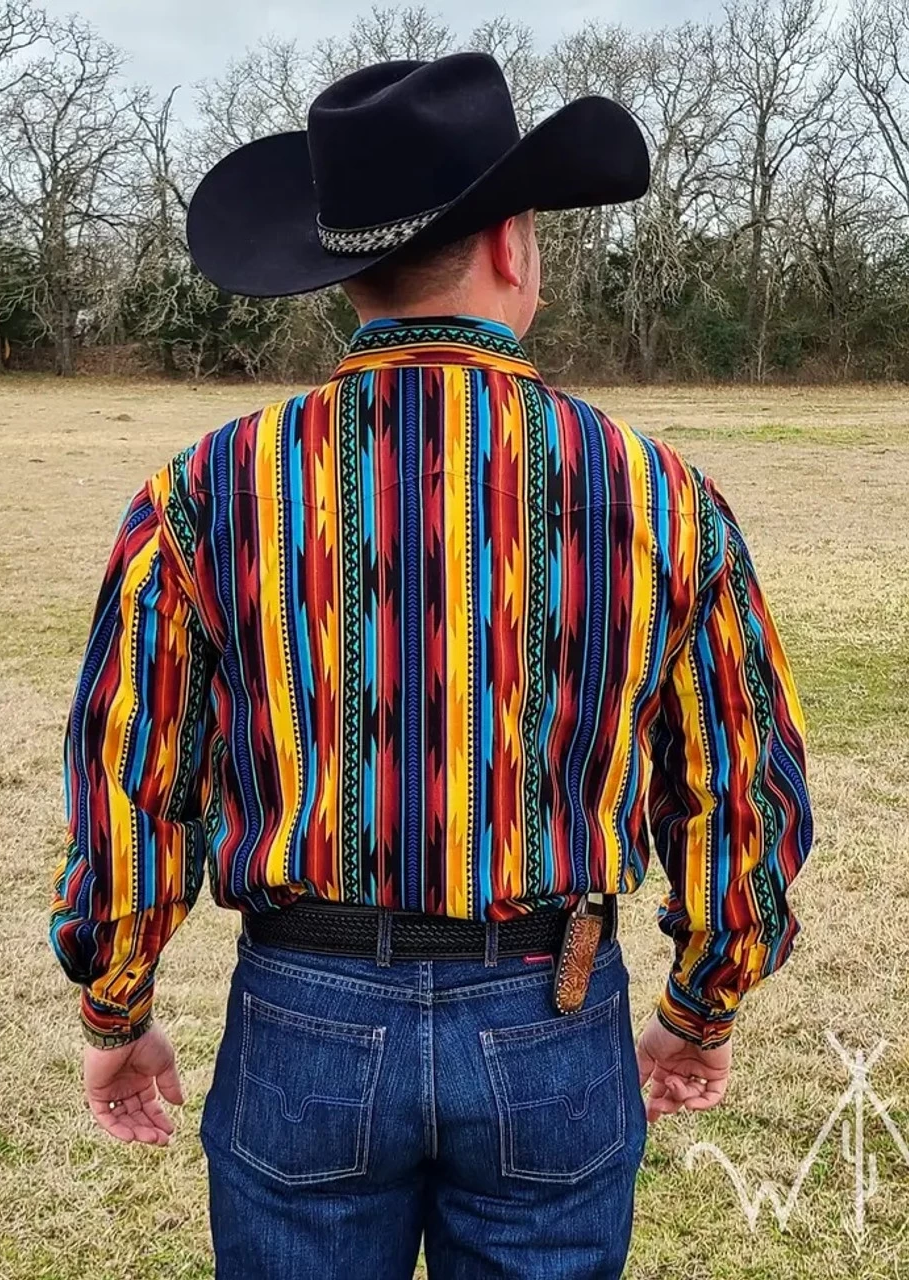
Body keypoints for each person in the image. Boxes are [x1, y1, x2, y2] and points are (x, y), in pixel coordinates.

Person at [50, 53, 813, 1280]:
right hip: (552, 1014)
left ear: (343, 271)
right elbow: (740, 786)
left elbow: (128, 786)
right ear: (514, 243)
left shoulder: (202, 495)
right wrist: (701, 1003)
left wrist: (115, 1008)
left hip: (304, 1014)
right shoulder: (664, 499)